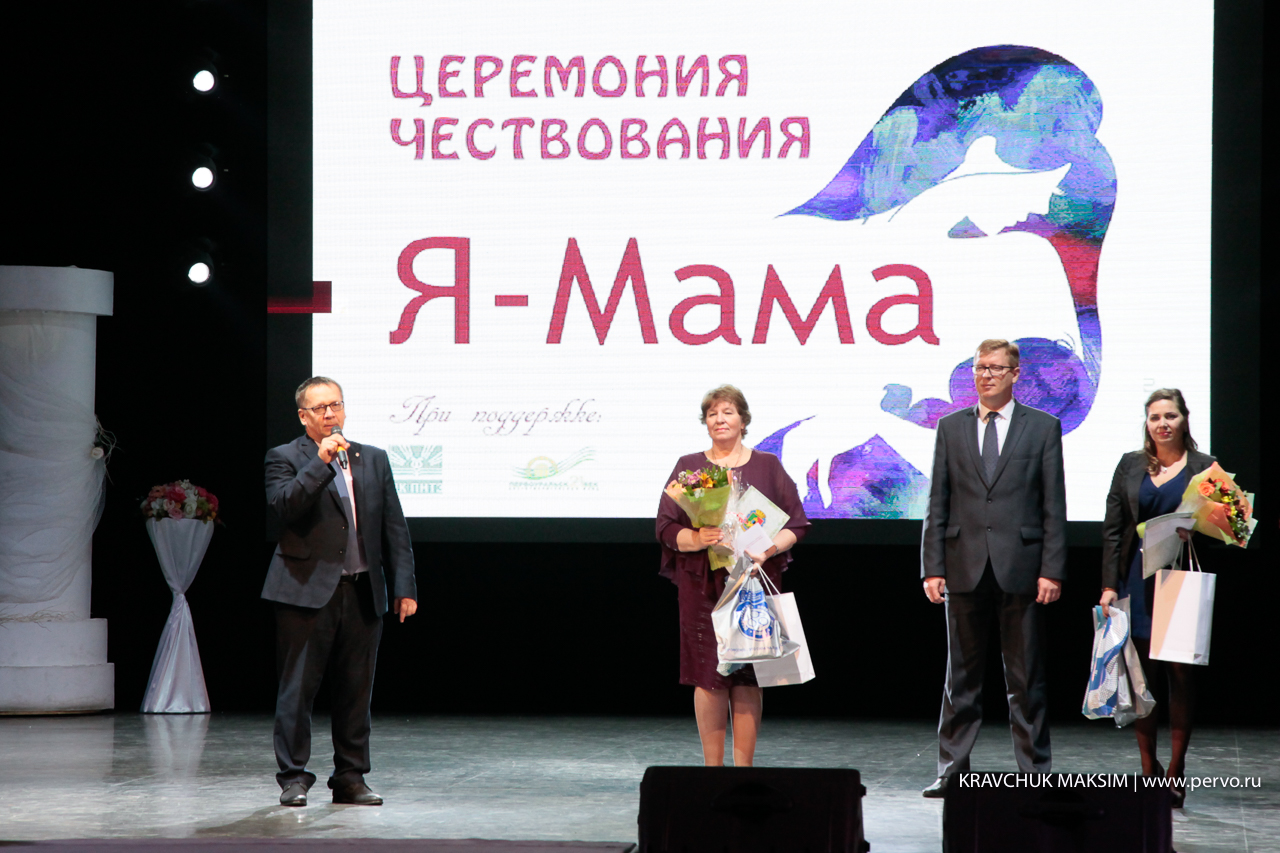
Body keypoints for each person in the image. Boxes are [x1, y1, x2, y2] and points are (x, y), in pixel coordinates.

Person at [919, 339, 1067, 797]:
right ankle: (952, 769)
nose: (986, 375)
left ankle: (1034, 771)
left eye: (996, 368)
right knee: (960, 677)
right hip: (962, 564)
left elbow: (1053, 504)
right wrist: (931, 567)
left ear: (1015, 374)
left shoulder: (1042, 427)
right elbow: (937, 501)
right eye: (980, 368)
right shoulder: (951, 427)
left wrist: (1052, 569)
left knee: (1025, 677)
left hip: (1021, 565)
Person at [263, 377, 418, 807]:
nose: (331, 414)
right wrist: (320, 461)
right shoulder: (284, 457)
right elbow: (285, 506)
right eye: (320, 408)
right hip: (304, 591)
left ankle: (350, 778)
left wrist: (403, 585)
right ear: (303, 416)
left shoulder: (373, 459)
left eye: (336, 405)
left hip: (363, 590)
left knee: (355, 692)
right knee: (297, 691)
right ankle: (294, 778)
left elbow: (394, 527)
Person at [656, 385, 809, 766]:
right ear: (705, 422)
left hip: (753, 583)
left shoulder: (768, 466)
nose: (720, 420)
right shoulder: (689, 467)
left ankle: (744, 772)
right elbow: (665, 527)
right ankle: (713, 771)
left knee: (749, 674)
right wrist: (697, 538)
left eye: (727, 412)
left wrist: (768, 549)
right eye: (712, 414)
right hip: (702, 586)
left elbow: (796, 523)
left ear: (743, 420)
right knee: (707, 674)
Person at [1099, 389, 1213, 808]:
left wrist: (1197, 530)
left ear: (1184, 419)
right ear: (1147, 424)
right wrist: (1109, 584)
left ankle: (1176, 769)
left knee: (1181, 677)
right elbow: (1114, 530)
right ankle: (1148, 770)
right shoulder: (1130, 465)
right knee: (1140, 679)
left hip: (1180, 578)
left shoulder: (1205, 467)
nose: (1162, 424)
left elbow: (1227, 530)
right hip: (1136, 578)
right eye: (1154, 417)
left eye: (1170, 416)